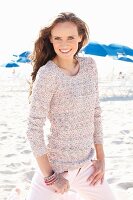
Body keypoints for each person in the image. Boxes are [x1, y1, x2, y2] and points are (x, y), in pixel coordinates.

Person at [26, 12, 116, 200]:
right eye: (58, 38)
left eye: (70, 37)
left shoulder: (90, 66)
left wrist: (101, 159)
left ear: (81, 38)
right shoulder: (47, 75)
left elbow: (96, 114)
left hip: (88, 169)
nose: (64, 44)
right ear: (50, 39)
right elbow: (33, 128)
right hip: (55, 169)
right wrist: (51, 177)